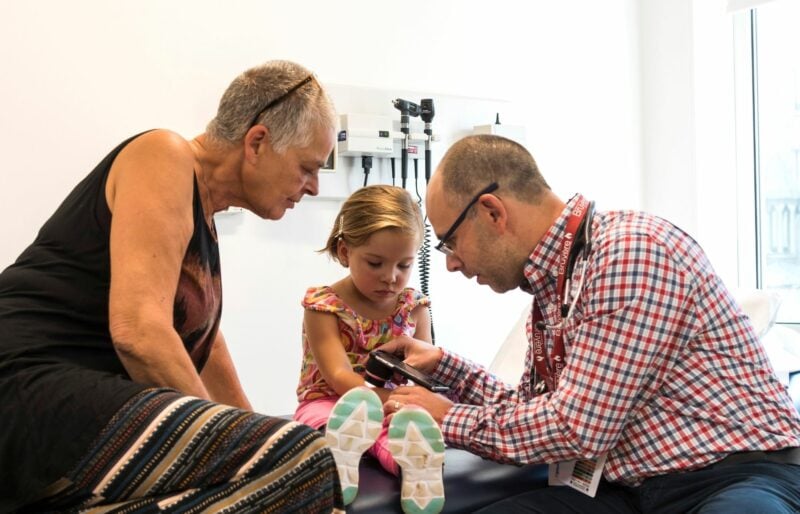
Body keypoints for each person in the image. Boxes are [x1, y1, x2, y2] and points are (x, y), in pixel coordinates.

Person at [381, 134, 800, 513]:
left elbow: (575, 428)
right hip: (631, 489)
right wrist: (443, 366)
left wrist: (447, 417)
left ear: (492, 212)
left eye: (449, 243)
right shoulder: (555, 285)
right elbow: (533, 411)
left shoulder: (630, 253)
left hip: (734, 476)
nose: (452, 263)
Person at [0, 60, 345, 512]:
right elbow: (139, 333)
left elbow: (203, 346)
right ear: (257, 142)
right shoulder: (163, 154)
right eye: (307, 167)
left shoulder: (203, 214)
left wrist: (254, 430)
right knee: (305, 458)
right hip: (24, 385)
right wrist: (234, 442)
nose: (315, 187)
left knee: (291, 462)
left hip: (66, 405)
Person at [293, 184, 445, 513]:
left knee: (400, 432)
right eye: (375, 263)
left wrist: (409, 402)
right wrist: (385, 400)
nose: (390, 277)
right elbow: (337, 376)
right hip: (332, 401)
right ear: (345, 252)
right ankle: (339, 459)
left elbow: (421, 365)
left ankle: (414, 469)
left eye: (403, 266)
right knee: (318, 424)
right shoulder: (324, 306)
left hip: (393, 404)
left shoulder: (414, 305)